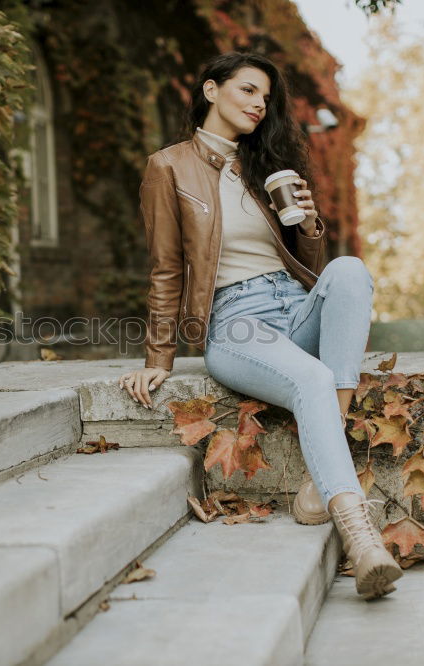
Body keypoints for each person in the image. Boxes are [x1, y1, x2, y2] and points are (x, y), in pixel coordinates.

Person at [117, 52, 403, 600]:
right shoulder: (169, 167)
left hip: (291, 303)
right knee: (314, 381)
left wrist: (308, 222)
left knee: (349, 271)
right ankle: (361, 540)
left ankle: (320, 487)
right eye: (247, 90)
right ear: (211, 90)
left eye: (264, 97)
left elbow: (311, 267)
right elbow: (165, 268)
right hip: (236, 324)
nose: (257, 104)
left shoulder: (261, 165)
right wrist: (158, 360)